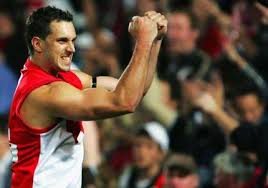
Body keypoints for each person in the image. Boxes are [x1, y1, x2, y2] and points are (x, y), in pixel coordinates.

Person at [8, 6, 167, 188]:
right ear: (38, 44)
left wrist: (155, 42)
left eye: (73, 40)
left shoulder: (64, 76)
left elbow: (134, 92)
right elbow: (125, 102)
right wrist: (143, 41)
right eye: (62, 41)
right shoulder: (44, 93)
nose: (72, 48)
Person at [118, 121, 169, 188]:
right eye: (138, 145)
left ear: (161, 153)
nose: (141, 151)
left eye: (149, 146)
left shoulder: (167, 183)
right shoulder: (127, 174)